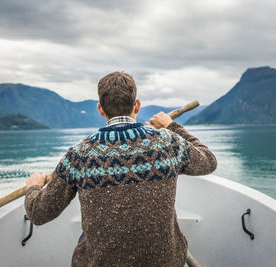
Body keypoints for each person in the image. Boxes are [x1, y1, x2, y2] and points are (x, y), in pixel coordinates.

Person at [25, 71, 217, 266]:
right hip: (165, 261)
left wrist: (33, 187)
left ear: (100, 109)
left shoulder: (79, 156)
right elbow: (208, 161)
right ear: (137, 105)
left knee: (86, 237)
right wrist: (172, 126)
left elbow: (38, 213)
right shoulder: (168, 142)